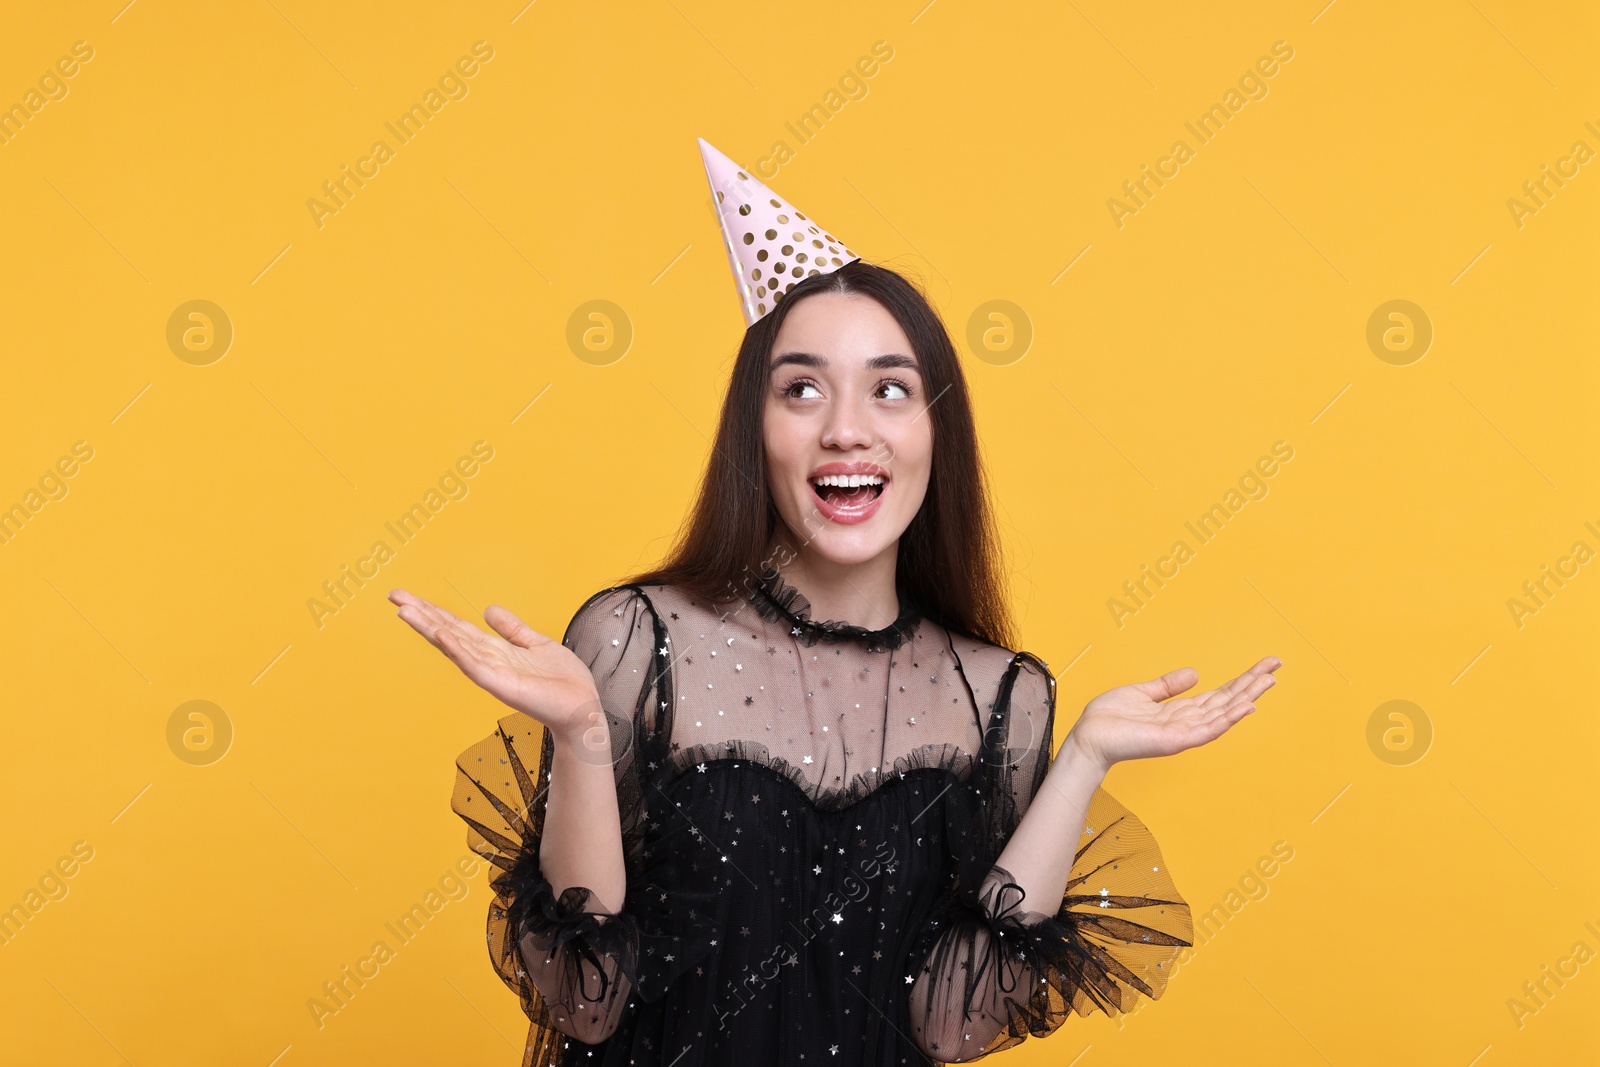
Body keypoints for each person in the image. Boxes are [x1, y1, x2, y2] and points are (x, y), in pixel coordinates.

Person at [389, 141, 1282, 1066]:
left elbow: (955, 1023)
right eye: (802, 388)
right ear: (756, 428)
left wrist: (1084, 757)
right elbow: (583, 1002)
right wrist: (580, 735)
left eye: (890, 389)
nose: (846, 428)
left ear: (939, 431)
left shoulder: (998, 694)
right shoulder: (634, 641)